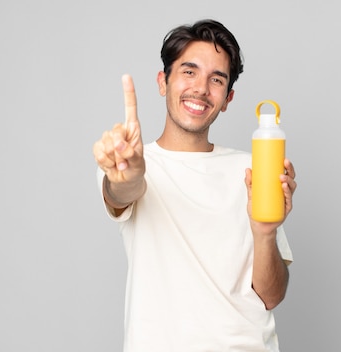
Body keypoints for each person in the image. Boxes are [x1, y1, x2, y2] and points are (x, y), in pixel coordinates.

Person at [92, 19, 297, 352]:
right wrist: (128, 177)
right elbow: (122, 192)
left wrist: (266, 232)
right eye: (189, 72)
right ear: (163, 81)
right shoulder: (127, 162)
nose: (201, 89)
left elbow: (270, 296)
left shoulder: (252, 168)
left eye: (216, 79)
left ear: (228, 98)